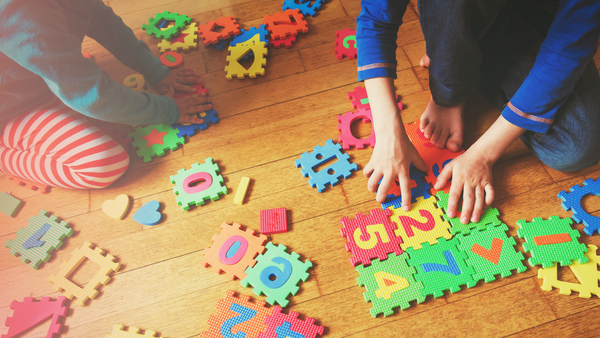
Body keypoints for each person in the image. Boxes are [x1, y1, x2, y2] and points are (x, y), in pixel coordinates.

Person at [357, 0, 600, 224]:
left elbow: (568, 47)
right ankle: (452, 73)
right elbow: (375, 20)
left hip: (541, 11)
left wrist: (484, 153)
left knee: (576, 148)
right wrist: (388, 133)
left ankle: (459, 58)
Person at [0, 0, 212, 189]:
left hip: (37, 81)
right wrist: (168, 110)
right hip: (12, 111)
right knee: (105, 163)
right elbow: (95, 98)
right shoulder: (18, 12)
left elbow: (102, 20)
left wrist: (153, 69)